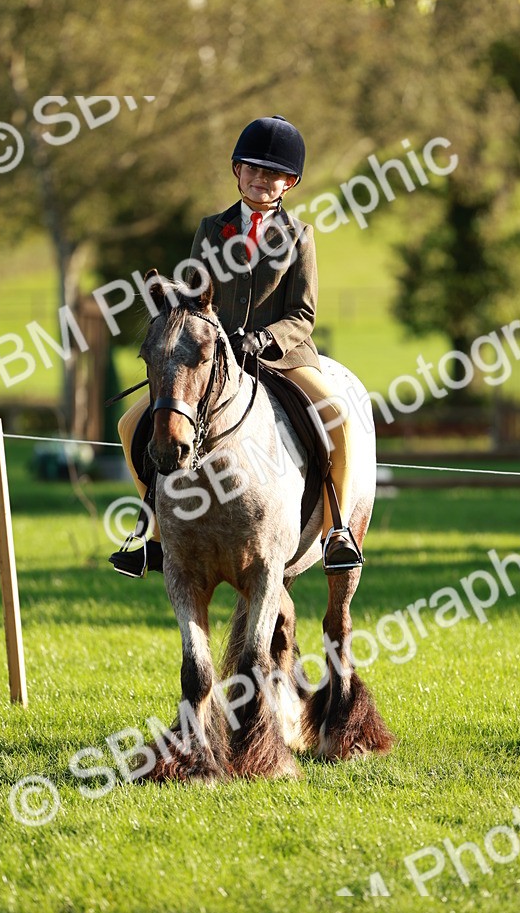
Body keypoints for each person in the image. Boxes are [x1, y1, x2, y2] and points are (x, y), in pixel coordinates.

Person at [116, 114, 362, 575]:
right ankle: (151, 533)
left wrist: (264, 339)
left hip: (281, 356)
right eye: (252, 168)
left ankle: (337, 531)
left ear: (289, 182)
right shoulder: (212, 228)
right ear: (237, 171)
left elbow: (303, 315)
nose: (261, 178)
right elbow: (193, 299)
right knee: (133, 424)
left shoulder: (299, 235)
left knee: (336, 415)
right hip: (213, 358)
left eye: (272, 173)